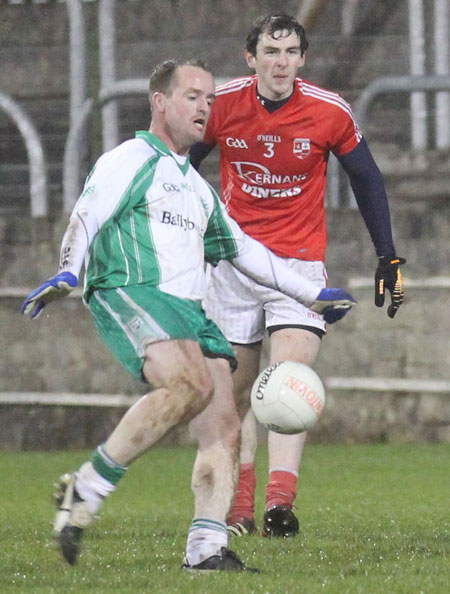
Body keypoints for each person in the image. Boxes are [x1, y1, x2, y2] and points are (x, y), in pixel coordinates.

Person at [21, 58, 356, 571]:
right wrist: (68, 272)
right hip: (133, 289)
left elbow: (246, 251)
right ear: (160, 102)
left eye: (210, 98)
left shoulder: (198, 188)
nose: (205, 106)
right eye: (192, 96)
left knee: (224, 425)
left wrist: (312, 294)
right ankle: (86, 490)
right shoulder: (130, 157)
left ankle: (205, 548)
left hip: (189, 310)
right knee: (189, 385)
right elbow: (87, 213)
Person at [190, 12, 405, 538]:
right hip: (234, 264)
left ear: (302, 59)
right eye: (270, 52)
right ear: (251, 57)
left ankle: (280, 504)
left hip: (299, 266)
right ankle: (238, 509)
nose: (280, 62)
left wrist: (388, 257)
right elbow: (178, 167)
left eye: (290, 53)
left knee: (288, 377)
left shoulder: (329, 111)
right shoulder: (223, 105)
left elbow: (367, 180)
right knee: (234, 393)